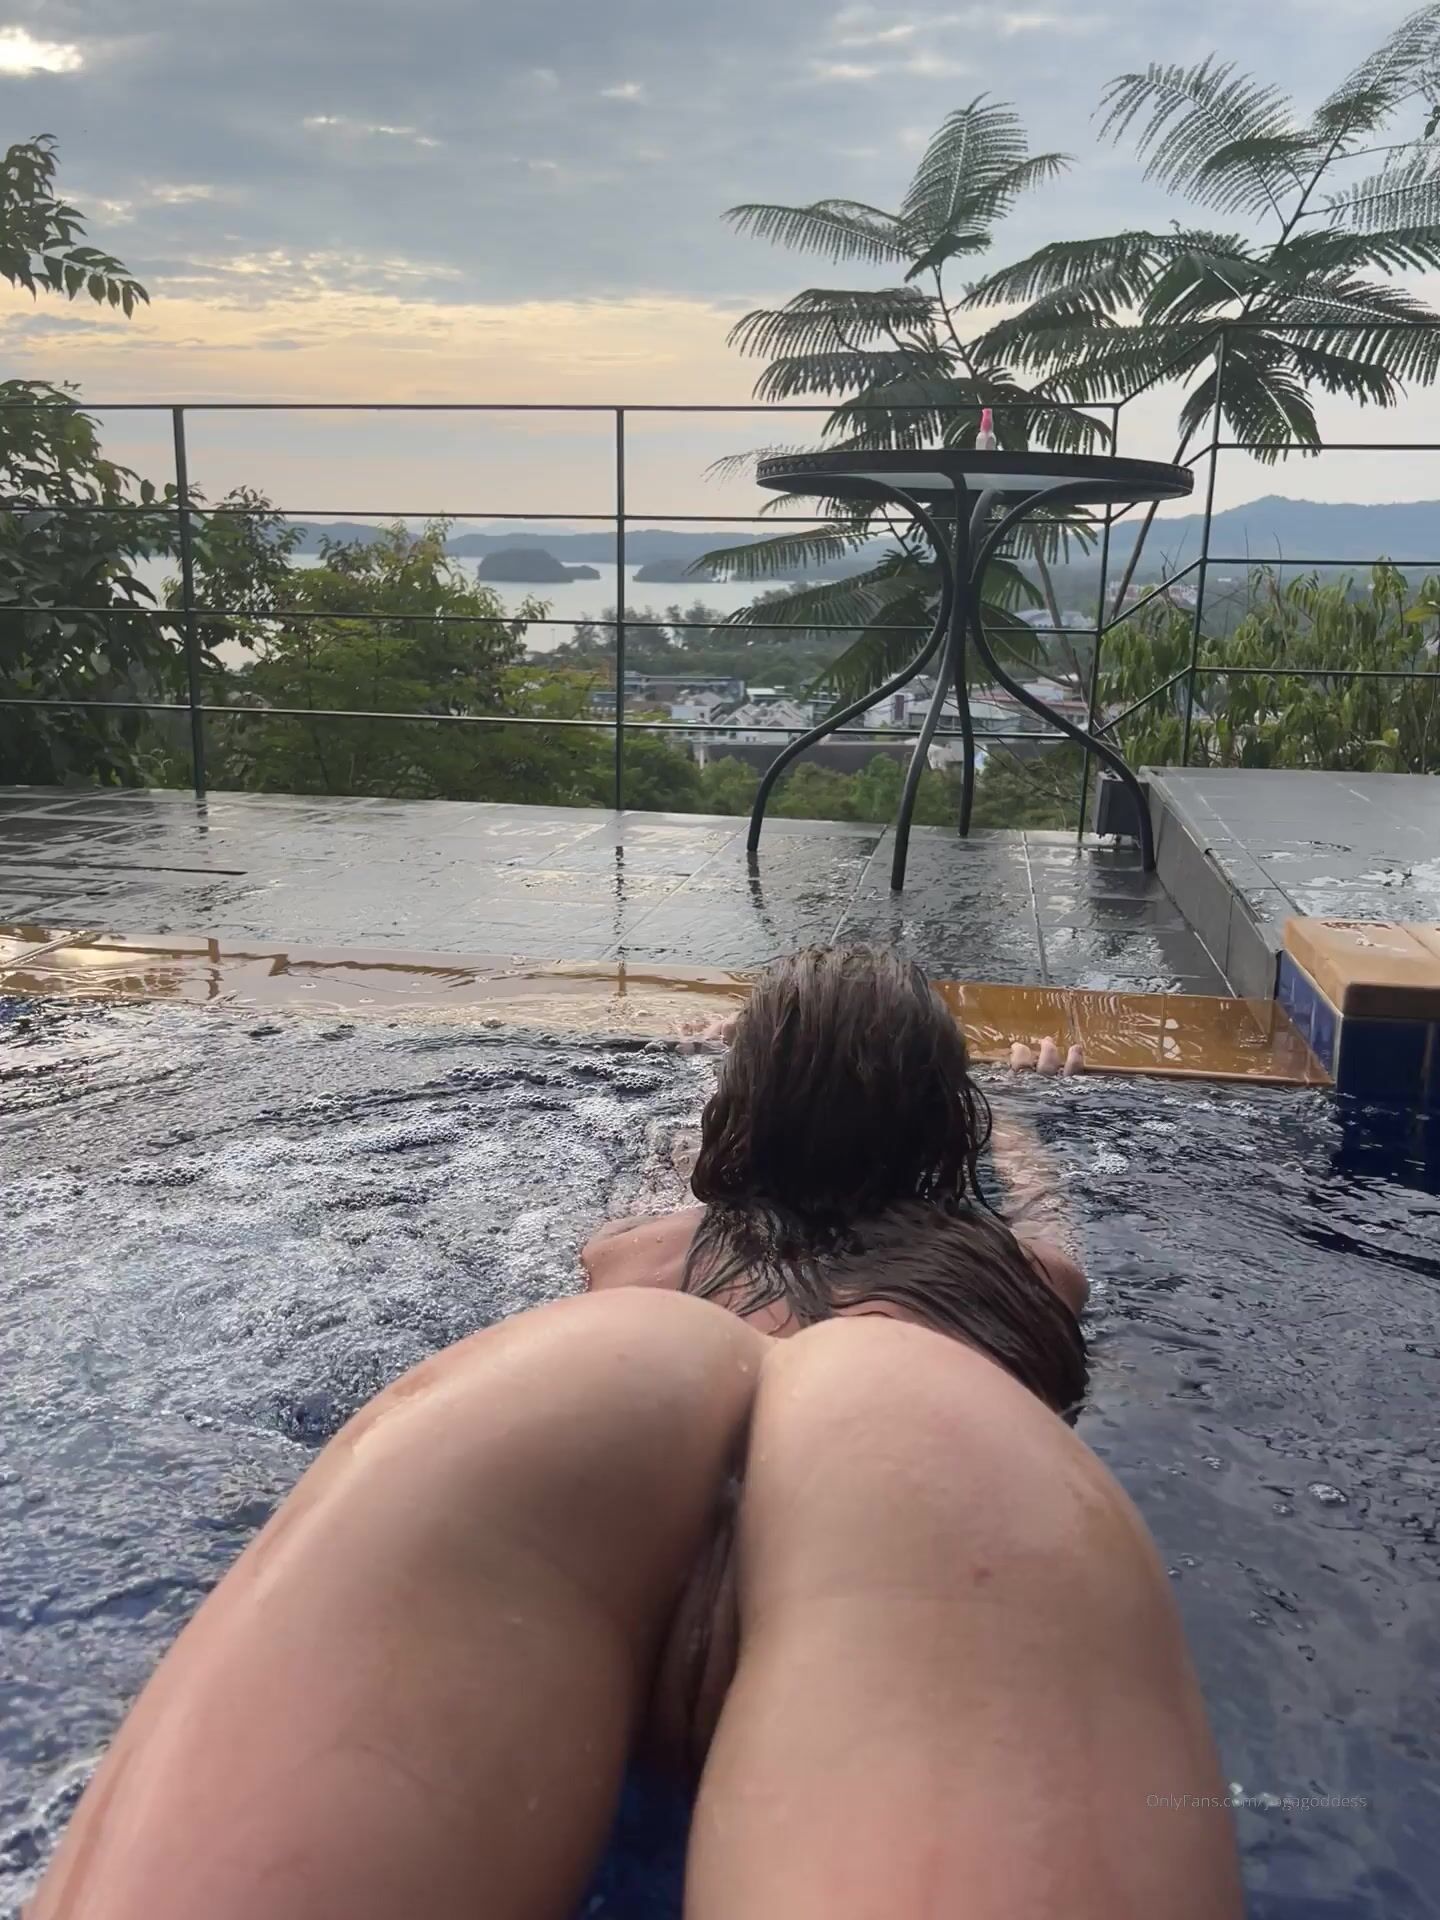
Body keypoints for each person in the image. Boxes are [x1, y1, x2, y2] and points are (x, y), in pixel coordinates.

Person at [29, 1290, 1243, 1919]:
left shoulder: (648, 1248)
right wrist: (1020, 1115)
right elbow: (1055, 1242)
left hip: (579, 1381)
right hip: (937, 1441)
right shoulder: (1019, 1271)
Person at [583, 945, 1089, 1367]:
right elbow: (1046, 1220)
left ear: (738, 1106)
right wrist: (1014, 1117)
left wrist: (709, 1085)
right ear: (947, 1120)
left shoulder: (624, 1260)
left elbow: (673, 1201)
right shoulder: (1028, 1285)